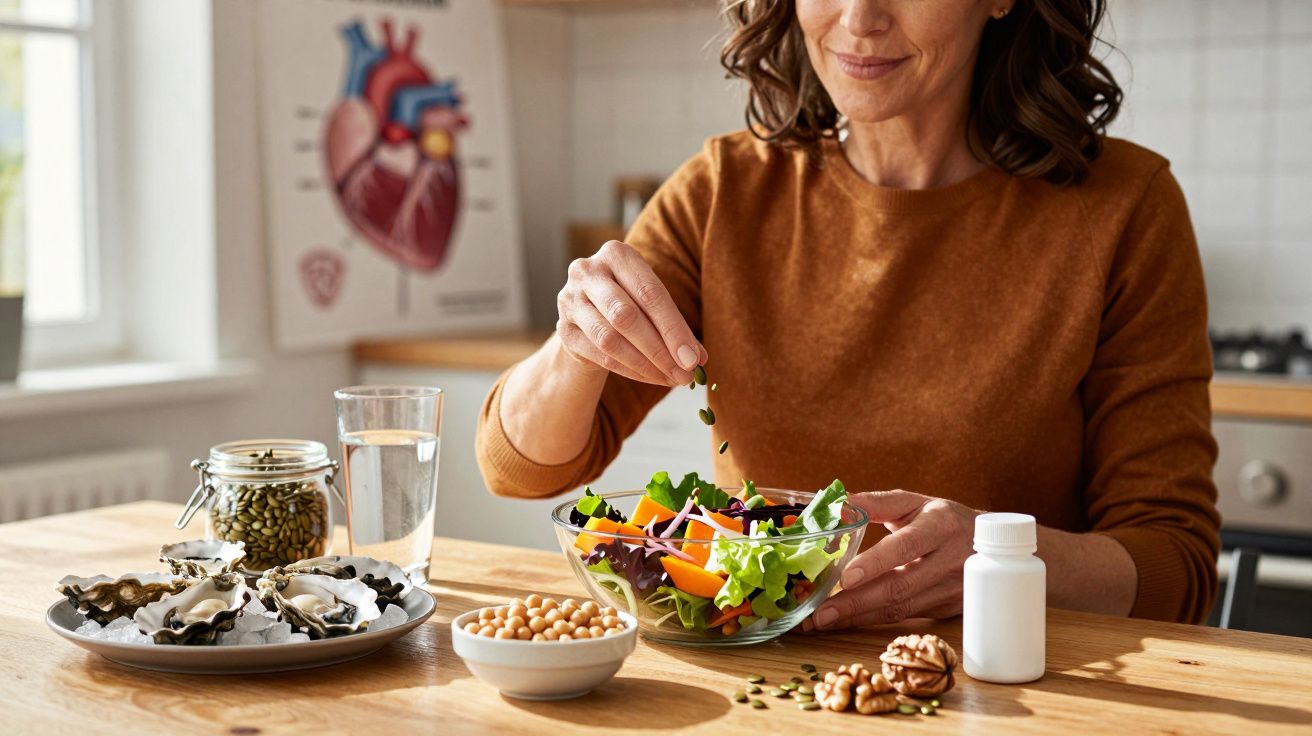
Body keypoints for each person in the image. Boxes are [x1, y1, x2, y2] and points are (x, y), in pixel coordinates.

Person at [476, 0, 1220, 627]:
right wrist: (574, 346)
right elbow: (519, 468)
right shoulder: (723, 193)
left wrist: (1005, 556)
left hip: (1013, 695)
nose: (860, 18)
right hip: (767, 686)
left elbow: (1177, 569)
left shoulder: (1127, 209)